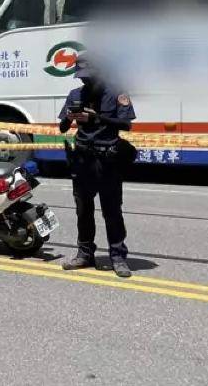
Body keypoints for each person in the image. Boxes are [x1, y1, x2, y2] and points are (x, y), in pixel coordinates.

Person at [58, 54, 136, 278]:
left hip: (108, 161)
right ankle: (84, 254)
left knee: (112, 211)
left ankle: (118, 256)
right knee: (83, 211)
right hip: (82, 160)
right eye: (82, 78)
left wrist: (99, 118)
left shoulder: (116, 92)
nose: (85, 82)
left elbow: (126, 124)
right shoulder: (75, 95)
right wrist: (70, 118)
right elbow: (62, 128)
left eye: (89, 77)